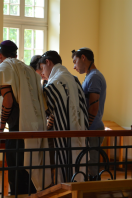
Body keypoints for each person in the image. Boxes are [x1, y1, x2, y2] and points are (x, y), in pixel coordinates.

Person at [0, 40, 51, 194]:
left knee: (17, 170)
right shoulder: (28, 70)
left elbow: (7, 102)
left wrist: (1, 127)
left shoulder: (6, 67)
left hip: (17, 129)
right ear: (15, 54)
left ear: (0, 55)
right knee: (31, 168)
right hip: (36, 126)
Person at [38, 50, 89, 183]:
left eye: (43, 67)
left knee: (64, 166)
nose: (43, 72)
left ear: (48, 62)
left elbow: (48, 112)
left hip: (63, 134)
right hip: (80, 132)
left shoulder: (53, 83)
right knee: (78, 164)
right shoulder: (74, 79)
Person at [72, 48, 107, 179]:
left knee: (92, 168)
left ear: (83, 58)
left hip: (92, 128)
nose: (74, 66)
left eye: (75, 62)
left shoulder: (94, 77)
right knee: (87, 166)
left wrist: (85, 128)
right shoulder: (90, 76)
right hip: (91, 128)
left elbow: (93, 107)